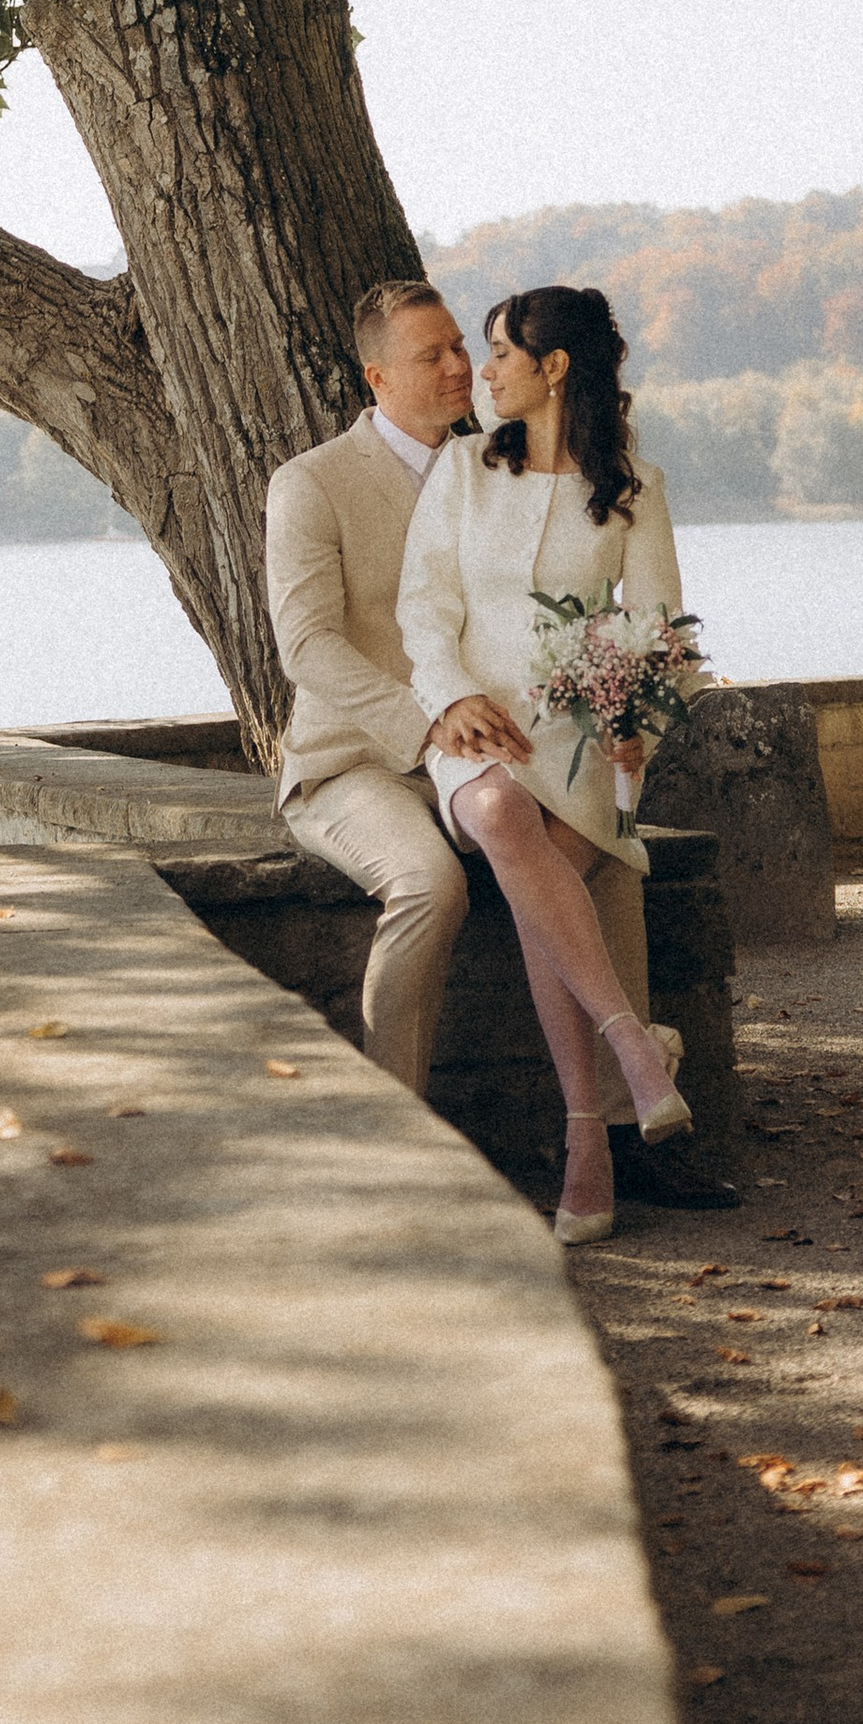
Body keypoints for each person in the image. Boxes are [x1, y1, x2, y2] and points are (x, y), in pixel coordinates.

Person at [264, 278, 656, 1141]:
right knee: (428, 884)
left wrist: (616, 719)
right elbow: (308, 648)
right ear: (377, 378)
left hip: (496, 750)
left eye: (460, 348)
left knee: (609, 848)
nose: (458, 369)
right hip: (357, 762)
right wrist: (429, 715)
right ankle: (395, 1133)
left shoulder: (502, 463)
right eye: (432, 356)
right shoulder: (311, 484)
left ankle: (632, 1131)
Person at [397, 281, 705, 1245]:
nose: (480, 371)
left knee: (538, 897)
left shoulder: (634, 491)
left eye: (498, 352)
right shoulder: (462, 471)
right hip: (472, 735)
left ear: (553, 367)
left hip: (577, 752)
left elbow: (664, 643)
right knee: (495, 814)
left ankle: (587, 1149)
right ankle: (634, 1048)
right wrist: (449, 698)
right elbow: (423, 608)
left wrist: (634, 729)